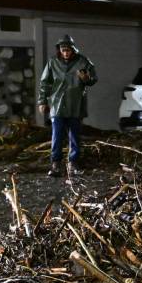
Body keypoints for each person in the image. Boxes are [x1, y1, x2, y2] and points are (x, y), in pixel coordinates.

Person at [38, 35, 97, 177]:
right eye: (63, 50)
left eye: (68, 50)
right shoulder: (52, 62)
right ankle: (56, 165)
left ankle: (73, 164)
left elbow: (93, 79)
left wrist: (86, 78)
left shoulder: (83, 62)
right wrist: (42, 101)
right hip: (57, 104)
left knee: (75, 136)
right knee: (56, 136)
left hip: (75, 104)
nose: (66, 53)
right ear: (59, 50)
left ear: (73, 49)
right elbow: (45, 82)